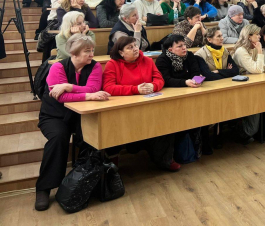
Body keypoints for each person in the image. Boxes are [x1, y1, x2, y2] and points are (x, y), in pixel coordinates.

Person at [34, 34, 109, 211]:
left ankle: (85, 182)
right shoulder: (57, 67)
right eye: (87, 51)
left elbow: (94, 88)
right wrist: (88, 95)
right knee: (58, 138)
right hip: (53, 115)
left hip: (81, 114)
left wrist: (68, 86)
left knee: (91, 136)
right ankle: (44, 188)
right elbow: (60, 97)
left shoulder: (95, 66)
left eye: (92, 50)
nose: (91, 54)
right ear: (74, 53)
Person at [102, 36, 180, 171]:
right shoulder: (112, 64)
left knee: (167, 120)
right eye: (130, 47)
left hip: (148, 104)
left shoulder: (147, 61)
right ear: (121, 52)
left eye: (135, 45)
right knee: (112, 125)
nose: (135, 49)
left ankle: (165, 159)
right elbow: (108, 88)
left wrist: (153, 86)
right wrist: (135, 89)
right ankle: (112, 167)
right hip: (123, 107)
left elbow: (159, 79)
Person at [231, 25, 265, 144]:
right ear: (249, 37)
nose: (259, 36)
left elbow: (263, 67)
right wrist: (260, 51)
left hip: (253, 84)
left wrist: (259, 52)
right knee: (253, 122)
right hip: (241, 89)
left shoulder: (253, 48)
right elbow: (258, 69)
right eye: (257, 34)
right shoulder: (241, 51)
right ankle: (241, 132)